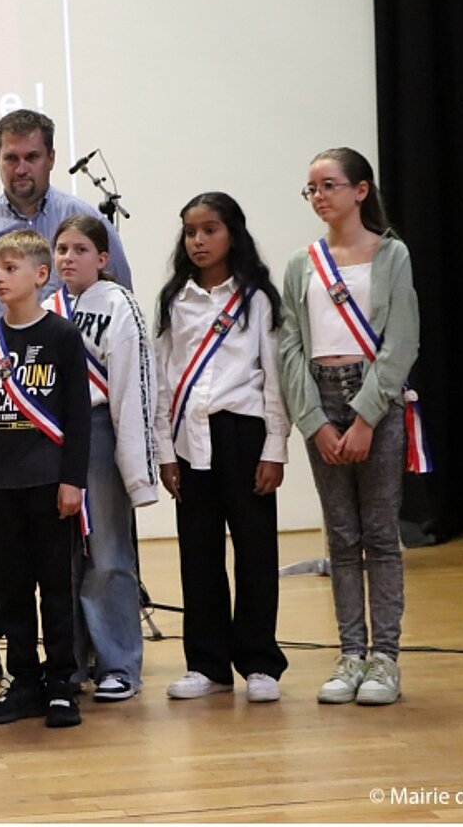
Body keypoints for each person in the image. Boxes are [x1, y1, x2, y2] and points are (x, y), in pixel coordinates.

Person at [0, 108, 134, 684]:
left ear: (50, 157)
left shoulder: (82, 220)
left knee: (89, 544)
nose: (20, 167)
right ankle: (4, 651)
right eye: (10, 157)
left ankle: (103, 661)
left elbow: (118, 298)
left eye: (31, 156)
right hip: (3, 408)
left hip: (72, 410)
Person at [278, 148, 420, 706]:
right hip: (321, 394)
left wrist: (365, 415)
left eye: (329, 185)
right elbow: (289, 343)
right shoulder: (302, 262)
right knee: (341, 536)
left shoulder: (392, 255)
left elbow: (402, 339)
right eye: (311, 188)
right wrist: (312, 420)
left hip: (375, 401)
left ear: (361, 190)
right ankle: (350, 654)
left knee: (380, 536)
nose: (319, 196)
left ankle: (384, 659)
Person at [154, 192, 290, 704]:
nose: (198, 240)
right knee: (198, 552)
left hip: (244, 433)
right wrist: (165, 451)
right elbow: (166, 381)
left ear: (232, 232)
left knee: (255, 550)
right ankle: (206, 663)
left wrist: (275, 447)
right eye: (190, 231)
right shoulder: (176, 300)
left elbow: (273, 379)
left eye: (210, 230)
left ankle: (259, 661)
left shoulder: (256, 298)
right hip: (191, 439)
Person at [0, 230, 90, 728]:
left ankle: (62, 683)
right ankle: (23, 682)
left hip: (48, 483)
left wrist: (72, 479)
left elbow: (77, 415)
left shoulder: (61, 336)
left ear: (41, 275)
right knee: (11, 590)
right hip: (1, 486)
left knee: (54, 588)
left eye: (11, 268)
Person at [48, 214, 159, 702]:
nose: (68, 258)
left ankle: (119, 664)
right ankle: (70, 661)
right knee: (62, 558)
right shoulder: (46, 307)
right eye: (61, 249)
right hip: (51, 442)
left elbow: (133, 387)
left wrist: (136, 463)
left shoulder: (119, 305)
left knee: (109, 552)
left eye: (79, 249)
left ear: (102, 258)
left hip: (100, 434)